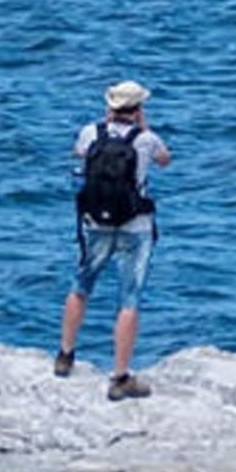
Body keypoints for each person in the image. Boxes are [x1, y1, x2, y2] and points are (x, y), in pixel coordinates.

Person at [55, 79, 171, 400]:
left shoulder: (91, 133)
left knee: (81, 286)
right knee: (129, 299)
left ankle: (65, 355)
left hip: (96, 222)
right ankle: (119, 376)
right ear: (138, 110)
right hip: (135, 225)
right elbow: (165, 159)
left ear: (110, 107)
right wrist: (143, 127)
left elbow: (79, 153)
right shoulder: (146, 139)